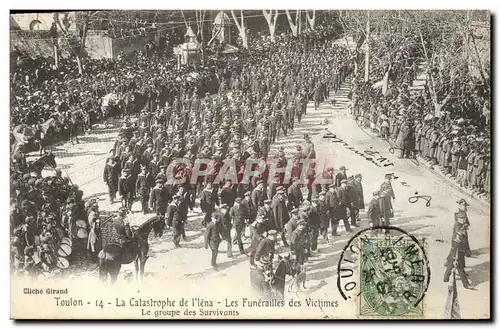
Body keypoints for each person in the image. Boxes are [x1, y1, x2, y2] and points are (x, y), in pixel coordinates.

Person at [443, 199, 475, 289]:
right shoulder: (458, 224)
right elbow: (458, 233)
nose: (464, 219)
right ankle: (466, 284)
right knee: (458, 264)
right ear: (458, 218)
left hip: (459, 244)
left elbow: (466, 224)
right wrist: (461, 233)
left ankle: (445, 277)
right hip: (458, 244)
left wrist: (464, 227)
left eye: (464, 218)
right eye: (462, 218)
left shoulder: (462, 221)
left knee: (453, 262)